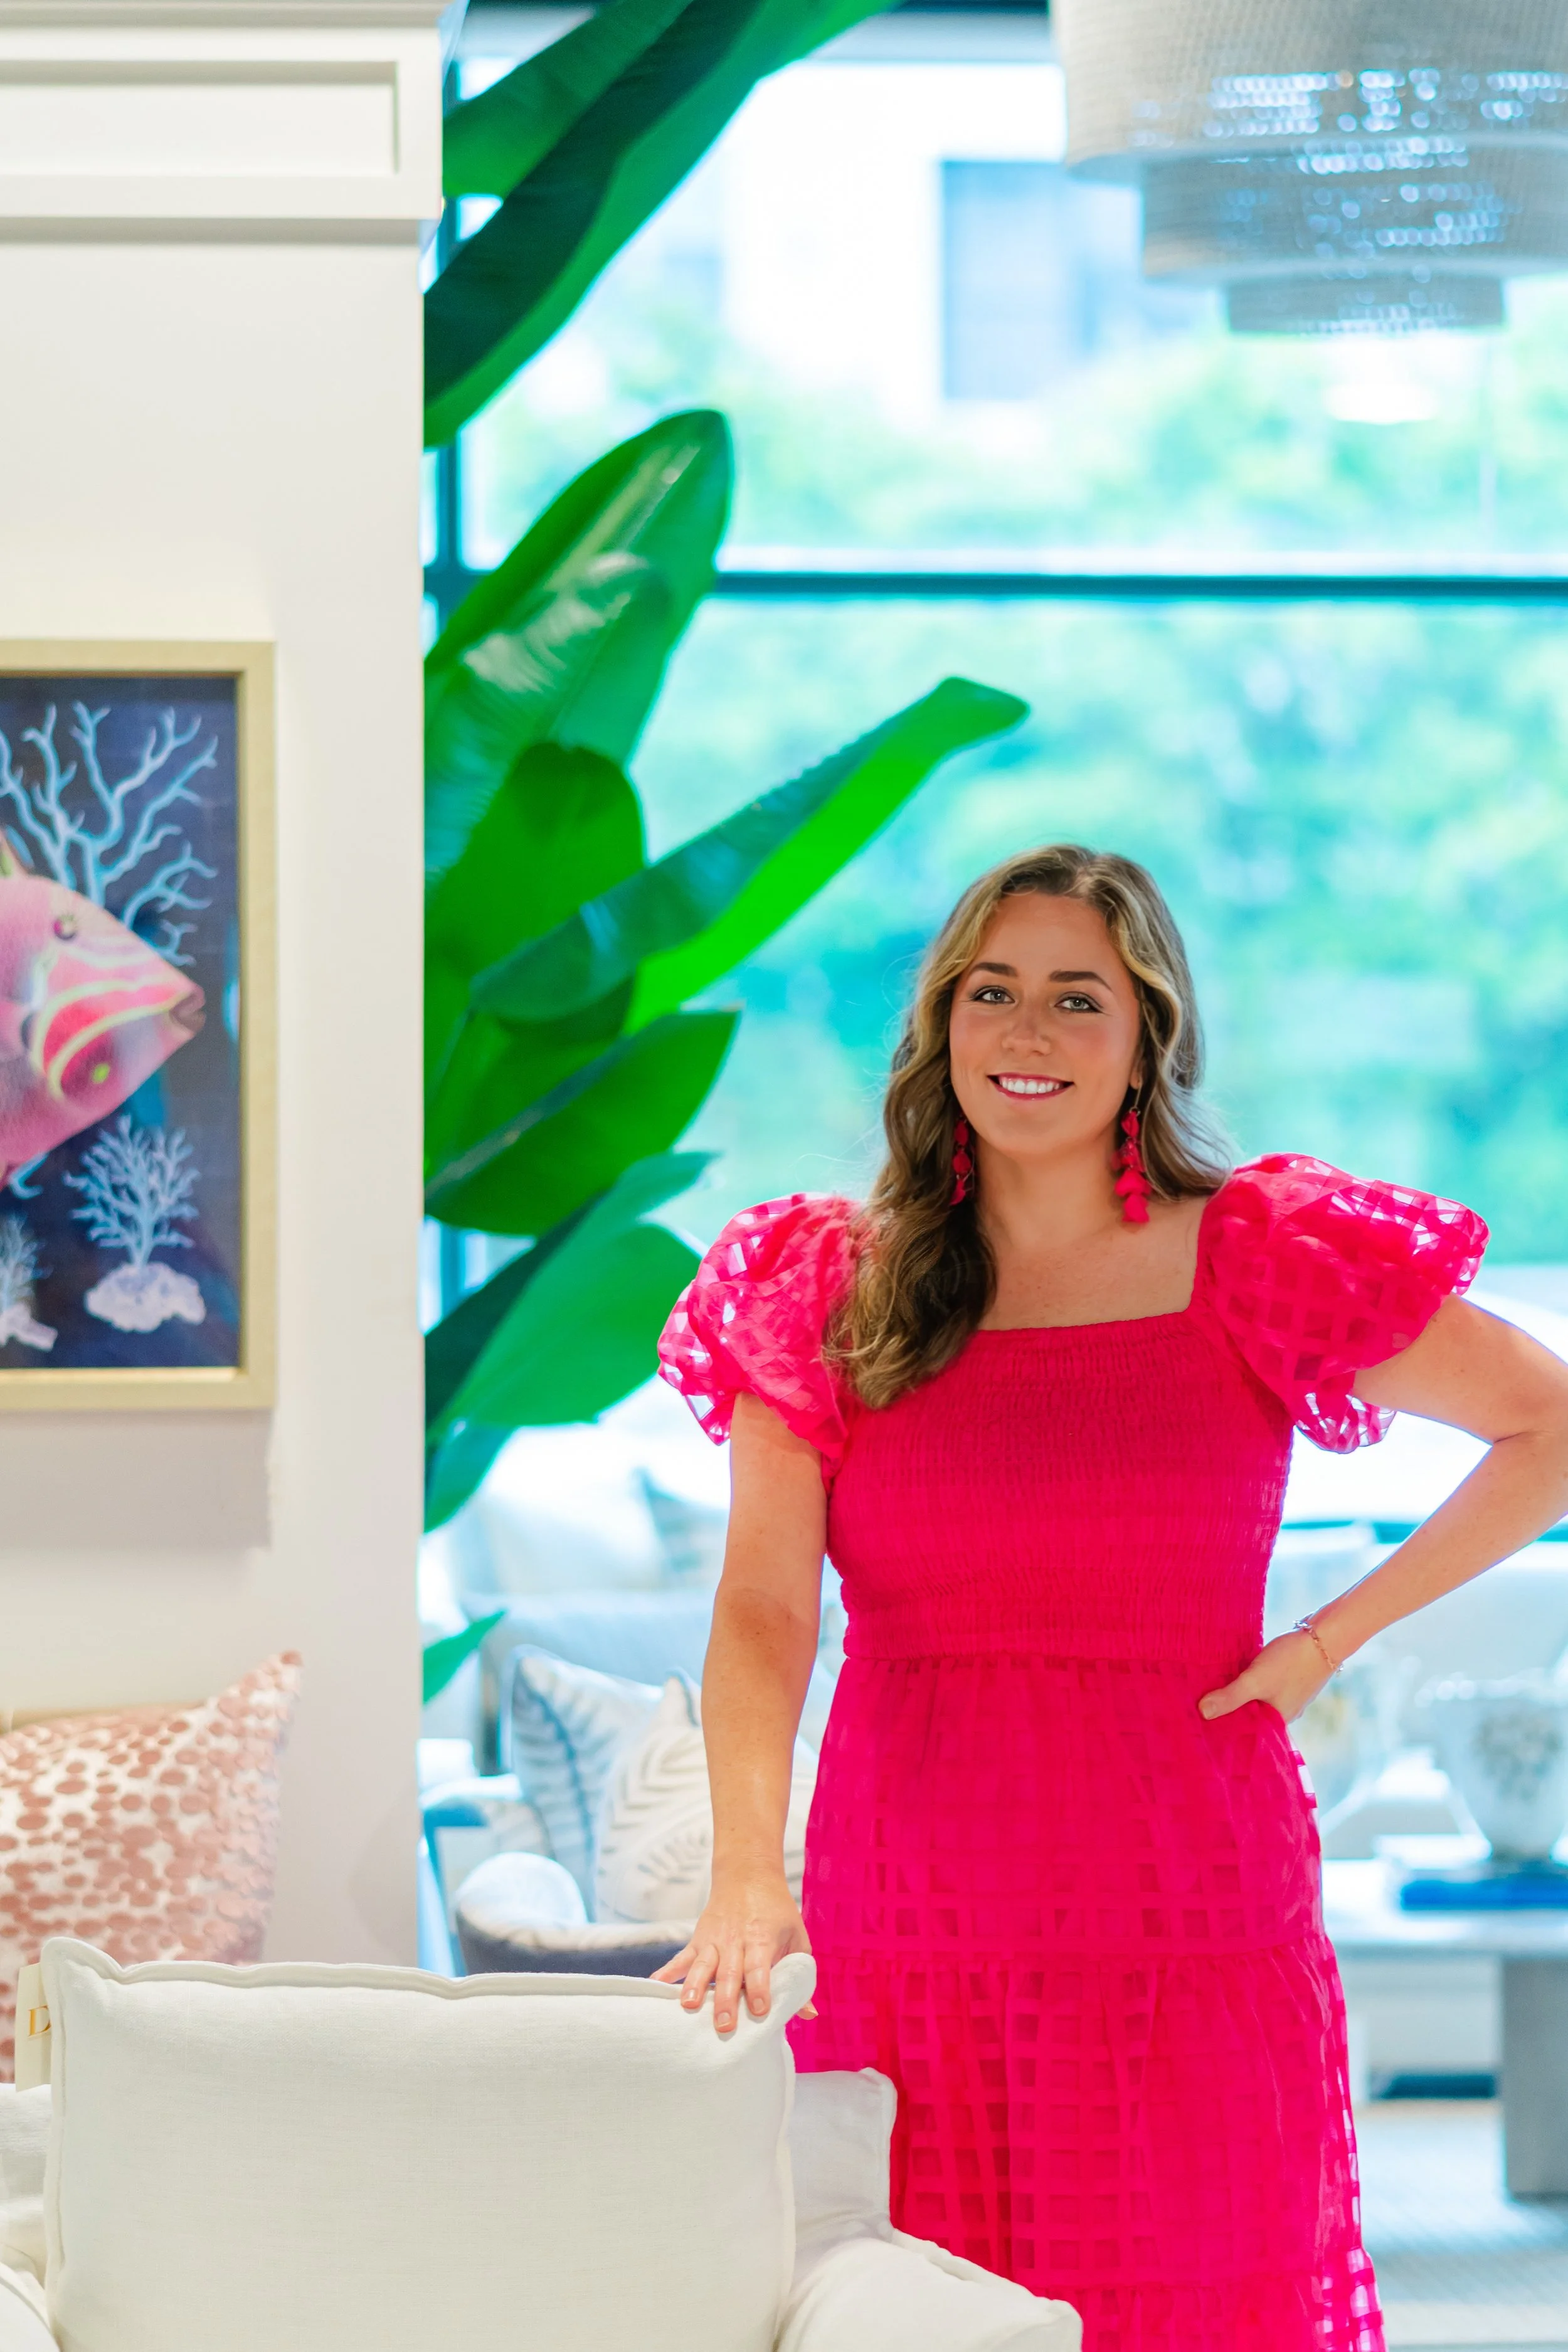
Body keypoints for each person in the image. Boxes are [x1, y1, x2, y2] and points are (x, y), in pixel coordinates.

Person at [652, 843, 1568, 2352]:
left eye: (1077, 999)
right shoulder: (821, 1282)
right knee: (917, 2304)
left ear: (1148, 1037)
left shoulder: (1262, 1258)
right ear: (937, 1027)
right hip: (910, 1907)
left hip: (1189, 1898)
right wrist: (748, 1868)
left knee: (1206, 2290)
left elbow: (1544, 1427)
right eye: (989, 993)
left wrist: (1326, 1642)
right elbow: (761, 1608)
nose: (1026, 1035)